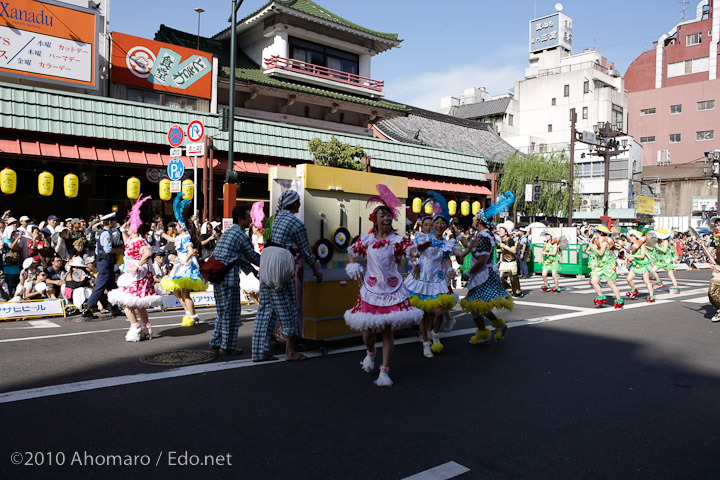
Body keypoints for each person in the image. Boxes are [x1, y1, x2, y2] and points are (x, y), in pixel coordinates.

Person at [344, 184, 423, 386]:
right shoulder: (367, 240)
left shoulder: (398, 240)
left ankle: (384, 371)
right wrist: (353, 267)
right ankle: (370, 353)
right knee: (368, 332)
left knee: (387, 330)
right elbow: (351, 253)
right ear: (375, 219)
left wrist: (417, 252)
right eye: (382, 215)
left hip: (391, 290)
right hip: (371, 291)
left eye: (389, 215)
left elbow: (411, 251)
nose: (386, 218)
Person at [253, 190, 323, 363]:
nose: (299, 204)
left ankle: (259, 352)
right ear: (293, 204)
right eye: (298, 202)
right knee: (288, 308)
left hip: (266, 260)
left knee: (265, 310)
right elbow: (307, 252)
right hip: (279, 264)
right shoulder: (296, 223)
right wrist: (316, 271)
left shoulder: (271, 219)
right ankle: (290, 352)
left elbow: (274, 241)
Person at [405, 192, 467, 358]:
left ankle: (435, 334)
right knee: (423, 314)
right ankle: (426, 343)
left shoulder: (447, 243)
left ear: (445, 226)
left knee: (439, 312)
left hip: (437, 281)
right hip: (421, 279)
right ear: (433, 224)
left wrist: (450, 270)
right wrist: (415, 263)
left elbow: (451, 256)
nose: (439, 225)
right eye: (437, 222)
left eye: (442, 223)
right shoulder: (421, 237)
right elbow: (412, 254)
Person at [460, 192, 516, 345]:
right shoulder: (483, 235)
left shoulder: (484, 237)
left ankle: (486, 333)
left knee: (475, 305)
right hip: (483, 274)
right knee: (479, 306)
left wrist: (468, 273)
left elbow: (482, 260)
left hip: (483, 275)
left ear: (479, 221)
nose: (472, 219)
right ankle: (497, 326)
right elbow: (472, 251)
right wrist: (460, 237)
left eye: (474, 217)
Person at [108, 195, 163, 342]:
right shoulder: (133, 239)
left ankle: (135, 326)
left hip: (137, 274)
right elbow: (127, 243)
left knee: (127, 301)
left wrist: (137, 265)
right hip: (133, 273)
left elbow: (148, 252)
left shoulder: (139, 240)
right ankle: (145, 327)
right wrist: (123, 230)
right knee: (137, 303)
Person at [209, 205, 261, 355]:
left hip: (217, 275)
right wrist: (269, 262)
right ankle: (228, 347)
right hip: (228, 278)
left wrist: (252, 271)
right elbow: (251, 256)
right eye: (248, 218)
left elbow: (239, 257)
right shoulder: (240, 235)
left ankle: (216, 342)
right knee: (231, 313)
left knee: (222, 312)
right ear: (240, 219)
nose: (250, 220)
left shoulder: (229, 232)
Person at [160, 194, 208, 326]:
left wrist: (185, 260)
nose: (176, 226)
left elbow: (191, 251)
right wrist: (160, 232)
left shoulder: (186, 237)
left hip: (186, 265)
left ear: (183, 226)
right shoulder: (180, 237)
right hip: (179, 264)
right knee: (176, 291)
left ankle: (193, 315)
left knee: (185, 293)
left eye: (178, 225)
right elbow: (171, 239)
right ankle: (188, 312)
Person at [83, 213, 124, 318]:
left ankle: (114, 307)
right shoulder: (106, 234)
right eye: (114, 221)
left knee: (112, 287)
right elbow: (108, 249)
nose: (115, 223)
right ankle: (88, 307)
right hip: (105, 262)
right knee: (100, 286)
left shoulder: (104, 232)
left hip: (106, 262)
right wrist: (119, 250)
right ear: (110, 223)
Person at [588, 225, 624, 309]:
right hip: (601, 264)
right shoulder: (598, 241)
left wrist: (593, 247)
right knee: (594, 281)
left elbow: (600, 253)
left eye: (596, 232)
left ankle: (619, 300)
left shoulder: (604, 242)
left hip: (608, 265)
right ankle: (601, 296)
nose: (595, 233)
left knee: (611, 284)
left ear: (601, 233)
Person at [239, 202, 265, 306]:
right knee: (250, 292)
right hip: (251, 265)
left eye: (253, 226)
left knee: (258, 292)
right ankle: (260, 309)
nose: (252, 228)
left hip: (259, 266)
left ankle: (261, 309)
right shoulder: (253, 238)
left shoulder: (264, 239)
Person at [625, 229, 655, 303]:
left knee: (646, 281)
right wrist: (628, 259)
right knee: (629, 279)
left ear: (636, 237)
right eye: (630, 236)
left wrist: (632, 255)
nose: (631, 238)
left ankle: (651, 296)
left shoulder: (642, 245)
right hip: (635, 264)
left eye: (632, 236)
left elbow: (642, 255)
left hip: (643, 264)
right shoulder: (632, 246)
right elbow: (632, 255)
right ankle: (634, 290)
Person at [497, 221, 522, 297]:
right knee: (500, 277)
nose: (499, 232)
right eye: (499, 231)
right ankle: (508, 288)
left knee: (513, 277)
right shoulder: (501, 241)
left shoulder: (510, 240)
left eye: (501, 231)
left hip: (511, 261)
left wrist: (505, 246)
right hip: (504, 262)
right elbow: (502, 252)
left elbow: (514, 250)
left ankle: (517, 291)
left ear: (506, 232)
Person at [650, 228, 680, 294]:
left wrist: (657, 247)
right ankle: (658, 282)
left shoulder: (665, 241)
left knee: (670, 275)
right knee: (653, 270)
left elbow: (664, 250)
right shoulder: (657, 241)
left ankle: (676, 288)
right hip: (660, 259)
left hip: (666, 259)